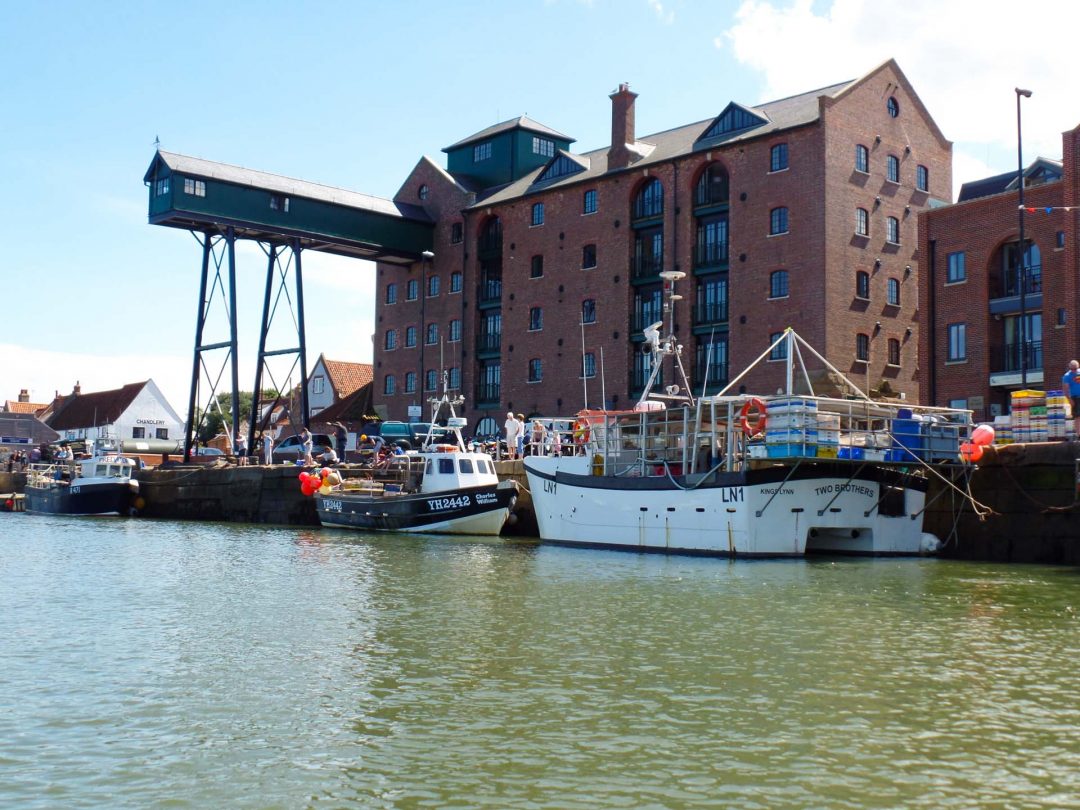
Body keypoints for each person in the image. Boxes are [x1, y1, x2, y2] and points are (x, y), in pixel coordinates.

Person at [1063, 360, 1080, 438]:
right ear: (1070, 367)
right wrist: (1070, 400)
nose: (1074, 370)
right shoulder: (1067, 376)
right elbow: (1065, 390)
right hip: (1075, 398)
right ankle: (1079, 435)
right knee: (1078, 417)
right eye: (1073, 369)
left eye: (1076, 368)